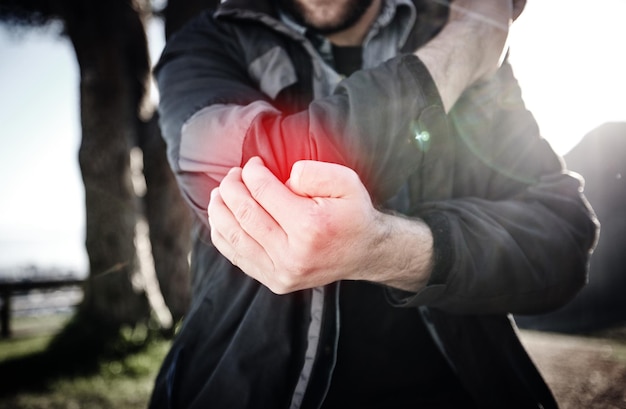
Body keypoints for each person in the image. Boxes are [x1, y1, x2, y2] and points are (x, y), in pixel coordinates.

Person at [149, 0, 599, 407]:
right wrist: (467, 46)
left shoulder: (444, 32)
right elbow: (283, 181)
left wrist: (395, 250)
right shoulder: (203, 47)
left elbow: (564, 237)